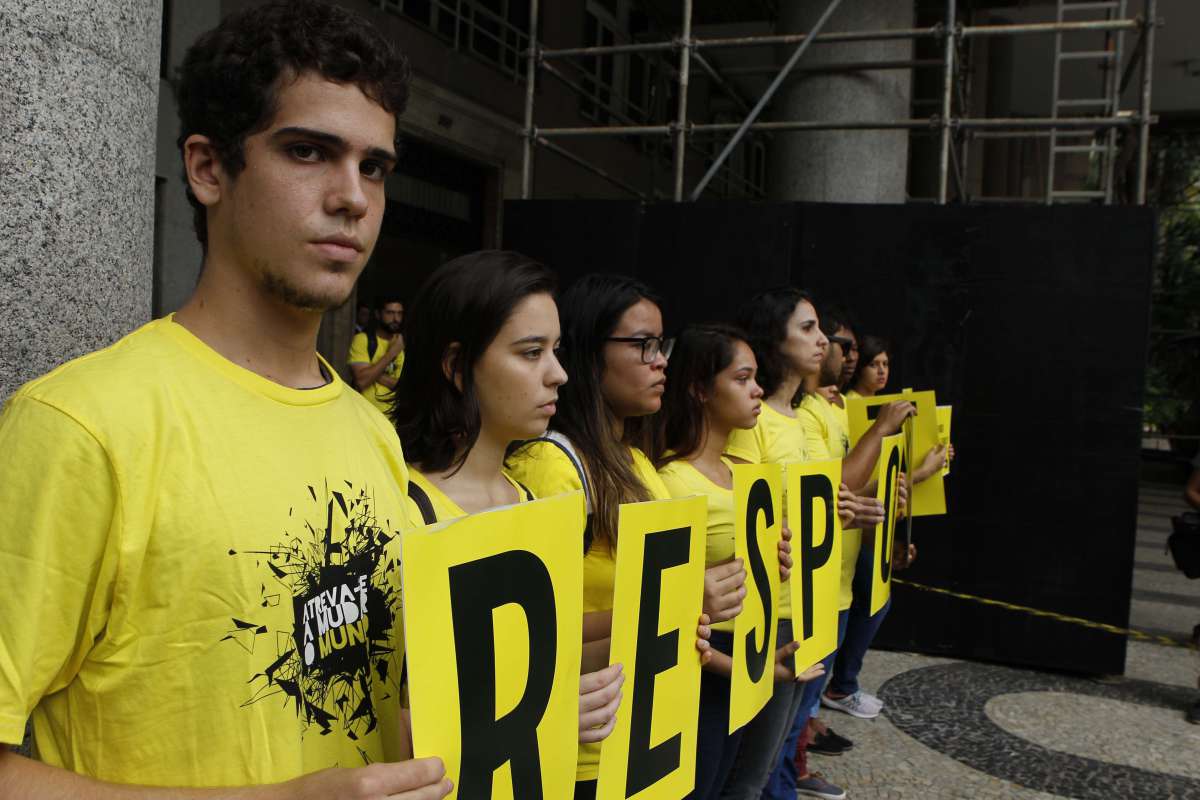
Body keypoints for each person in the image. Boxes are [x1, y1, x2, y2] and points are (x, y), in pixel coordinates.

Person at [0, 3, 455, 797]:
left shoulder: (369, 430)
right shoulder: (81, 426)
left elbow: (363, 698)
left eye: (374, 166)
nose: (352, 197)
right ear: (209, 169)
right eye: (309, 152)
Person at [388, 249, 623, 743]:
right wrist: (539, 716)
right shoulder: (399, 512)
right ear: (456, 365)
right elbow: (365, 722)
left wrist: (658, 627)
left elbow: (540, 658)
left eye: (556, 350)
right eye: (531, 352)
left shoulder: (532, 500)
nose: (558, 373)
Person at [506, 273, 712, 800]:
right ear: (585, 351)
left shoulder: (637, 459)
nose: (660, 359)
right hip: (587, 752)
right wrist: (678, 600)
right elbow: (525, 638)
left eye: (661, 344)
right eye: (642, 344)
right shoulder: (552, 466)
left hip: (647, 726)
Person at [650, 323, 824, 800]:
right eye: (742, 379)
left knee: (747, 783)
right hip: (707, 673)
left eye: (755, 378)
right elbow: (667, 615)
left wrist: (775, 559)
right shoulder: (671, 481)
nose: (757, 389)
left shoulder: (747, 475)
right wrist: (753, 667)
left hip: (755, 653)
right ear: (700, 389)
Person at [723, 288, 881, 800]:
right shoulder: (754, 420)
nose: (825, 341)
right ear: (775, 336)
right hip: (772, 611)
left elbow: (817, 501)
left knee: (776, 752)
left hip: (809, 600)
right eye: (808, 329)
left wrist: (844, 509)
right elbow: (747, 519)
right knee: (747, 771)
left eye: (820, 330)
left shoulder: (799, 414)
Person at [349, 294, 406, 412]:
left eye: (399, 313)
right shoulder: (362, 340)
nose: (396, 318)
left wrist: (372, 373)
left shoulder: (403, 343)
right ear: (378, 314)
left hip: (395, 421)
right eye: (390, 313)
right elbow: (361, 382)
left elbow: (405, 387)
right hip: (366, 417)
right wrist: (392, 353)